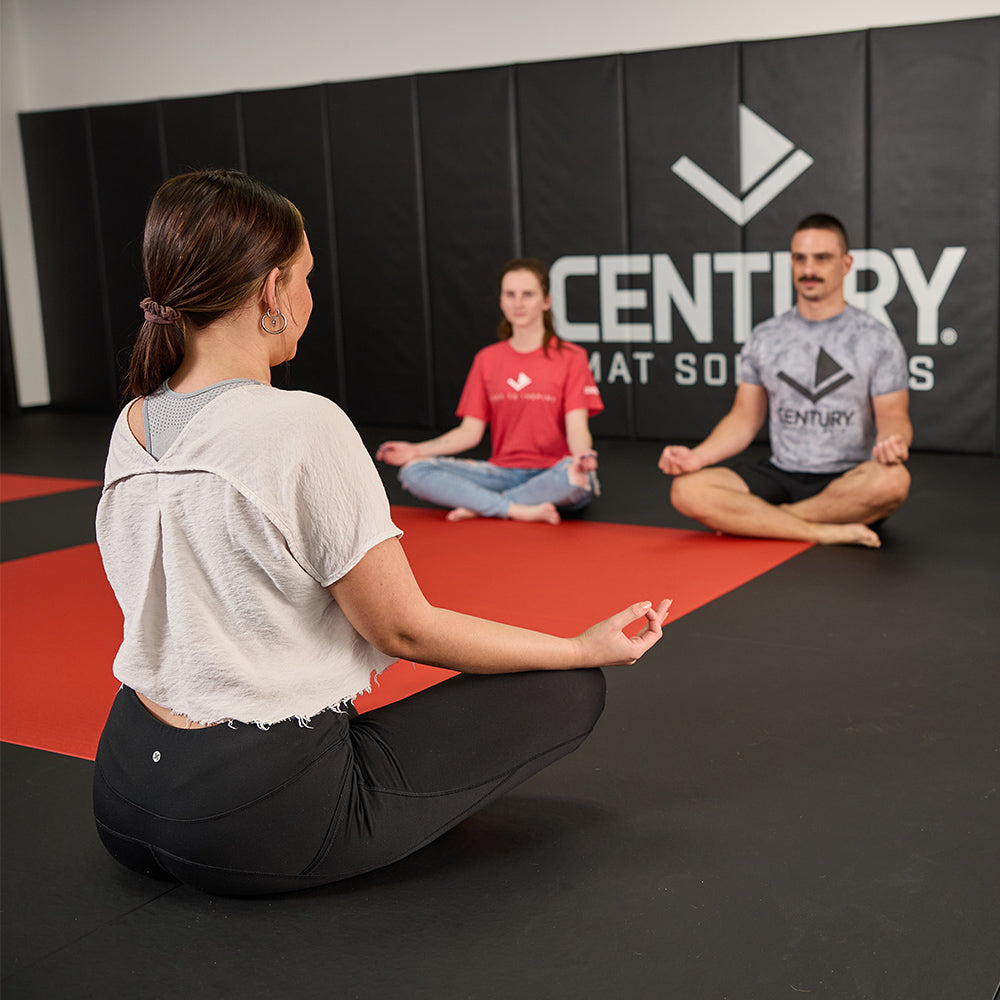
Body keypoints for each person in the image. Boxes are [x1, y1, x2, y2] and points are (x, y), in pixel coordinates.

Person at [92, 169, 670, 897]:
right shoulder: (303, 424)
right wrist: (580, 647)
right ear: (272, 291)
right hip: (251, 820)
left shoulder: (133, 421)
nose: (310, 296)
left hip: (123, 793)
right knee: (572, 688)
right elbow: (406, 632)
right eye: (305, 276)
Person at [658, 213, 912, 549]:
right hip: (780, 472)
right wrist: (698, 458)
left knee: (893, 482)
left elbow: (895, 416)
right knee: (687, 489)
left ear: (846, 264)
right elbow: (744, 417)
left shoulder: (876, 338)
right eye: (799, 258)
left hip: (849, 479)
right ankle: (819, 530)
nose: (809, 269)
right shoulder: (766, 336)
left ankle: (767, 521)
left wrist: (893, 442)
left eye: (822, 258)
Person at [376, 258, 603, 525]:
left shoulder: (571, 357)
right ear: (501, 301)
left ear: (546, 301)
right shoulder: (487, 359)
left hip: (553, 472)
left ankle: (482, 505)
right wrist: (415, 450)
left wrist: (583, 456)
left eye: (528, 294)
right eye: (510, 294)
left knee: (575, 478)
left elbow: (577, 427)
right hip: (499, 472)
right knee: (414, 471)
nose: (518, 303)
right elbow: (469, 432)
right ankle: (517, 508)